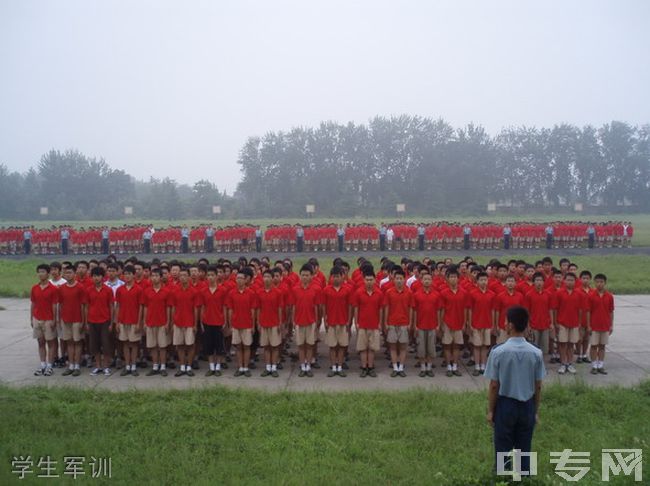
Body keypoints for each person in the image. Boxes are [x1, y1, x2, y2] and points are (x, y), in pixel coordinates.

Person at [485, 306, 545, 476]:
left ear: (509, 325)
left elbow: (494, 385)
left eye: (505, 321)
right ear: (526, 326)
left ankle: (502, 477)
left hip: (505, 404)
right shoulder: (536, 353)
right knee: (524, 445)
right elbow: (538, 385)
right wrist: (535, 410)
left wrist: (491, 410)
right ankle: (523, 476)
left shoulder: (498, 352)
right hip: (527, 404)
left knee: (503, 445)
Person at [288, 264, 321, 377]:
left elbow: (316, 306)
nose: (305, 277)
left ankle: (308, 365)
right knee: (301, 345)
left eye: (307, 275)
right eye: (303, 275)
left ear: (311, 276)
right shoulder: (295, 289)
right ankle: (303, 366)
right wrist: (293, 321)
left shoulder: (315, 289)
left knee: (310, 345)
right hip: (299, 321)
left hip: (311, 322)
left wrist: (316, 321)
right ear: (300, 276)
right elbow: (293, 307)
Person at [225, 270, 258, 377]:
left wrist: (253, 325)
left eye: (241, 278)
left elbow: (253, 310)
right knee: (238, 347)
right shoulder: (231, 293)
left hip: (247, 324)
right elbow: (230, 310)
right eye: (237, 278)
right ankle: (240, 367)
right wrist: (230, 325)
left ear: (246, 280)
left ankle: (246, 367)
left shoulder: (251, 293)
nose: (239, 280)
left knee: (247, 346)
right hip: (236, 324)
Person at [352, 268, 383, 377]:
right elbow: (356, 308)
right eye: (367, 280)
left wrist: (380, 323)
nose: (369, 282)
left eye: (371, 280)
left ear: (375, 280)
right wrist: (356, 322)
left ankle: (371, 367)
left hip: (374, 325)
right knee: (363, 348)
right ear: (363, 280)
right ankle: (364, 367)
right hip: (362, 325)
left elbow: (380, 309)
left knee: (372, 348)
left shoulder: (379, 293)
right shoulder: (358, 292)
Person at [322, 266, 352, 377]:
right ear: (331, 277)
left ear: (342, 276)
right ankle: (333, 367)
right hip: (331, 322)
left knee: (341, 346)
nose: (336, 279)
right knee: (332, 346)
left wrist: (349, 320)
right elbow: (324, 306)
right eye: (334, 276)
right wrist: (324, 319)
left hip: (343, 322)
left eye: (338, 276)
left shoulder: (347, 290)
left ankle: (339, 367)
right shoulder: (326, 290)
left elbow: (350, 306)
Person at [410, 271, 442, 377]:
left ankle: (429, 367)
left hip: (432, 325)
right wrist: (414, 325)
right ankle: (423, 368)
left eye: (429, 279)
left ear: (432, 281)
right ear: (421, 281)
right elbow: (414, 311)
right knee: (421, 348)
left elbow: (438, 311)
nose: (427, 281)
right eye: (425, 279)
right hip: (420, 326)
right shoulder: (417, 295)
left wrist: (438, 325)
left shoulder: (436, 295)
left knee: (431, 348)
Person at [58, 264, 87, 376]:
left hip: (77, 319)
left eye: (70, 272)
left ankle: (77, 365)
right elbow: (60, 305)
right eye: (66, 273)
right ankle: (70, 365)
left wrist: (83, 321)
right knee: (69, 342)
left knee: (78, 342)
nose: (68, 275)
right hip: (66, 319)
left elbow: (83, 306)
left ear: (75, 274)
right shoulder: (62, 288)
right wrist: (60, 319)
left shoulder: (80, 287)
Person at [169, 267, 199, 376]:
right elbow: (173, 308)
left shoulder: (194, 291)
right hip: (178, 322)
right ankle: (182, 366)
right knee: (180, 345)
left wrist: (195, 324)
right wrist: (172, 322)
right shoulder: (174, 291)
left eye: (185, 275)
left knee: (190, 345)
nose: (182, 278)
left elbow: (196, 309)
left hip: (190, 322)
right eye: (181, 276)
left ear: (189, 277)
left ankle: (189, 366)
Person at [382, 267, 412, 377]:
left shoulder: (409, 292)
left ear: (404, 279)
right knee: (393, 347)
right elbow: (386, 308)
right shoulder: (389, 292)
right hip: (392, 323)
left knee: (403, 347)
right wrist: (385, 322)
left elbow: (411, 309)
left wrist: (410, 323)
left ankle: (401, 367)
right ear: (393, 280)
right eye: (397, 278)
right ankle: (395, 367)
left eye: (401, 278)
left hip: (404, 323)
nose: (399, 280)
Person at [141, 268, 171, 376]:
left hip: (162, 322)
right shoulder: (147, 291)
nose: (154, 278)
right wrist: (144, 322)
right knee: (153, 346)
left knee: (162, 346)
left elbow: (168, 308)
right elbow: (145, 307)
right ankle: (155, 366)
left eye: (156, 276)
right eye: (152, 276)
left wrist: (168, 322)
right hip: (150, 322)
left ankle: (163, 366)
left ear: (160, 277)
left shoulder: (166, 291)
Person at [86, 266, 115, 376]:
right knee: (95, 345)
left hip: (105, 321)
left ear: (103, 277)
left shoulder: (108, 290)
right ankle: (98, 366)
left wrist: (112, 322)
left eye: (98, 276)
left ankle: (106, 366)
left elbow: (111, 306)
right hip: (92, 321)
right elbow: (86, 307)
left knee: (106, 344)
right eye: (94, 276)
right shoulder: (89, 290)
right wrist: (86, 322)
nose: (96, 278)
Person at [31, 264, 59, 376]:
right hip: (37, 318)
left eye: (43, 271)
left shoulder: (53, 289)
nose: (41, 274)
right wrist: (31, 318)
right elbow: (33, 303)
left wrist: (54, 320)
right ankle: (42, 364)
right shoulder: (35, 288)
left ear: (48, 274)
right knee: (40, 342)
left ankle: (50, 365)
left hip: (48, 319)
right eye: (39, 272)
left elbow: (55, 305)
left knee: (51, 342)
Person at [115, 265, 143, 376]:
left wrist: (139, 322)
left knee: (134, 344)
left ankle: (134, 366)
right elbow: (118, 306)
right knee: (125, 343)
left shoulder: (139, 289)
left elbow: (141, 306)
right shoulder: (120, 289)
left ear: (134, 275)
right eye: (125, 274)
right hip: (122, 320)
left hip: (134, 320)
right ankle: (127, 365)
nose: (127, 276)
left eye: (129, 274)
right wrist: (117, 321)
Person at [255, 269, 283, 377]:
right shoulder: (259, 292)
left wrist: (280, 322)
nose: (266, 279)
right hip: (263, 323)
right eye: (264, 277)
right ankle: (267, 367)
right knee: (266, 347)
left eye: (268, 277)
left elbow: (280, 308)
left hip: (274, 323)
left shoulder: (277, 292)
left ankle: (274, 367)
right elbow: (258, 309)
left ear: (272, 278)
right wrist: (258, 322)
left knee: (275, 346)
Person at [587, 274, 614, 375]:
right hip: (594, 326)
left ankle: (600, 365)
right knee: (594, 346)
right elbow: (588, 311)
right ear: (594, 283)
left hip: (605, 325)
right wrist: (589, 325)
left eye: (601, 282)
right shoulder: (591, 295)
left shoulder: (609, 296)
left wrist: (611, 325)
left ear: (605, 283)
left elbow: (611, 311)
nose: (599, 284)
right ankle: (594, 365)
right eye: (597, 282)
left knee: (602, 346)